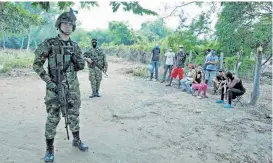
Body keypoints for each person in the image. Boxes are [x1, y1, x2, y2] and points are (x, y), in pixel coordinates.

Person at [32, 9, 88, 162]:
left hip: (72, 89)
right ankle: (49, 149)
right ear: (59, 25)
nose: (68, 26)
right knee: (52, 118)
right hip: (55, 88)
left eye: (71, 24)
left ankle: (76, 139)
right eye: (65, 23)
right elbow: (37, 65)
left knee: (74, 115)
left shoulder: (75, 46)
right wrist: (49, 81)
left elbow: (80, 66)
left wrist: (77, 58)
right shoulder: (49, 43)